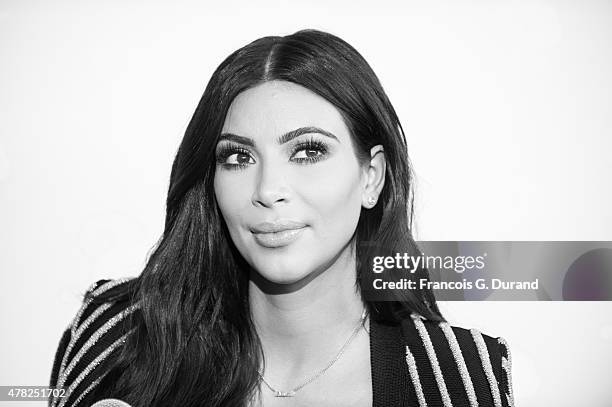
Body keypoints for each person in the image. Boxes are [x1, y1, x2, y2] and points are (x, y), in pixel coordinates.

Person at [49, 29, 514, 407]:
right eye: (237, 158)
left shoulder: (458, 374)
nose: (268, 190)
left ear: (371, 177)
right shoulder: (116, 336)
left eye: (308, 151)